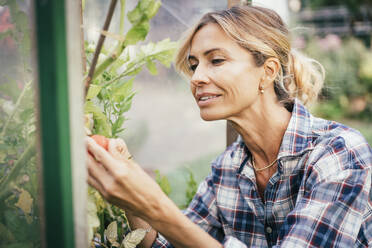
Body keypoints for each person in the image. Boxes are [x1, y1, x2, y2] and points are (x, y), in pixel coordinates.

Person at [86, 5, 372, 248]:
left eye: (216, 60)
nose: (196, 77)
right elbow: (177, 242)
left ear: (268, 71)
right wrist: (133, 197)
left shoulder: (337, 154)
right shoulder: (227, 168)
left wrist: (156, 206)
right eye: (194, 64)